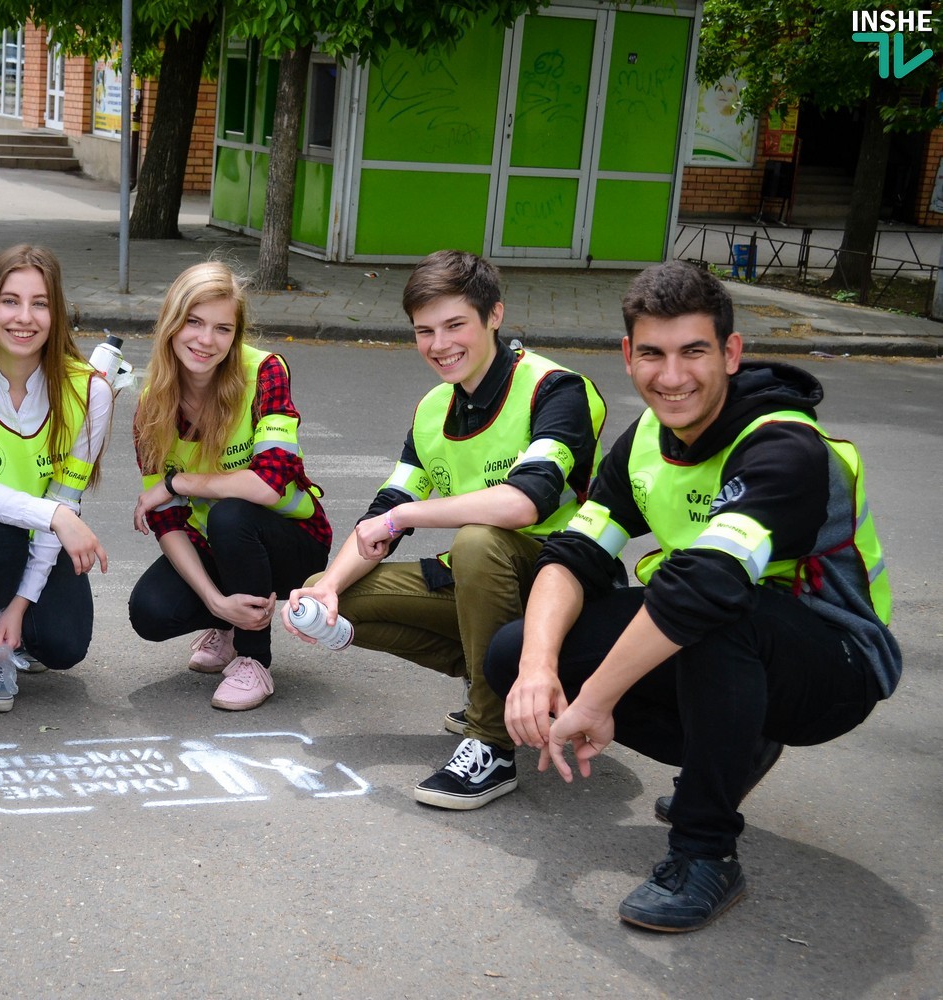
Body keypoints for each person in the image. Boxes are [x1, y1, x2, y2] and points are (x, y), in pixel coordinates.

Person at [485, 261, 901, 932]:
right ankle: (732, 746)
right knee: (513, 652)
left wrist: (595, 701)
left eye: (693, 352)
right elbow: (573, 555)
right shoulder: (646, 440)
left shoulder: (785, 446)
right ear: (628, 355)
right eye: (652, 353)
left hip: (836, 661)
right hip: (719, 632)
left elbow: (707, 588)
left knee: (716, 614)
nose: (671, 376)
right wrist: (537, 667)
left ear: (731, 353)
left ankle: (705, 853)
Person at [284, 250, 606, 810]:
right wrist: (328, 587)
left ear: (494, 315)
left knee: (478, 540)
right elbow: (386, 509)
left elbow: (524, 503)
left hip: (563, 586)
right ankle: (493, 681)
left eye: (455, 325)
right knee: (329, 592)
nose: (439, 345)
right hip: (483, 584)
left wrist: (406, 517)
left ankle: (492, 743)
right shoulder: (434, 408)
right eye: (424, 331)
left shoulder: (556, 389)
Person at [128, 261, 331, 712]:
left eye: (222, 328)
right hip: (220, 547)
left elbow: (269, 484)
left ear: (236, 335)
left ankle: (254, 659)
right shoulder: (151, 405)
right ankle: (229, 622)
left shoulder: (265, 372)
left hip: (292, 542)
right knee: (150, 612)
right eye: (194, 322)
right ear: (171, 323)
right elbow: (167, 521)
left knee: (231, 512)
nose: (206, 340)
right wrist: (215, 602)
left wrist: (177, 482)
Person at [0, 245, 111, 712]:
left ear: (57, 313)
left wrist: (22, 603)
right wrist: (55, 516)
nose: (24, 317)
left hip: (42, 538)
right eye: (10, 301)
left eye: (40, 303)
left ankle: (18, 628)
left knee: (64, 645)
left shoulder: (90, 390)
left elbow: (64, 498)